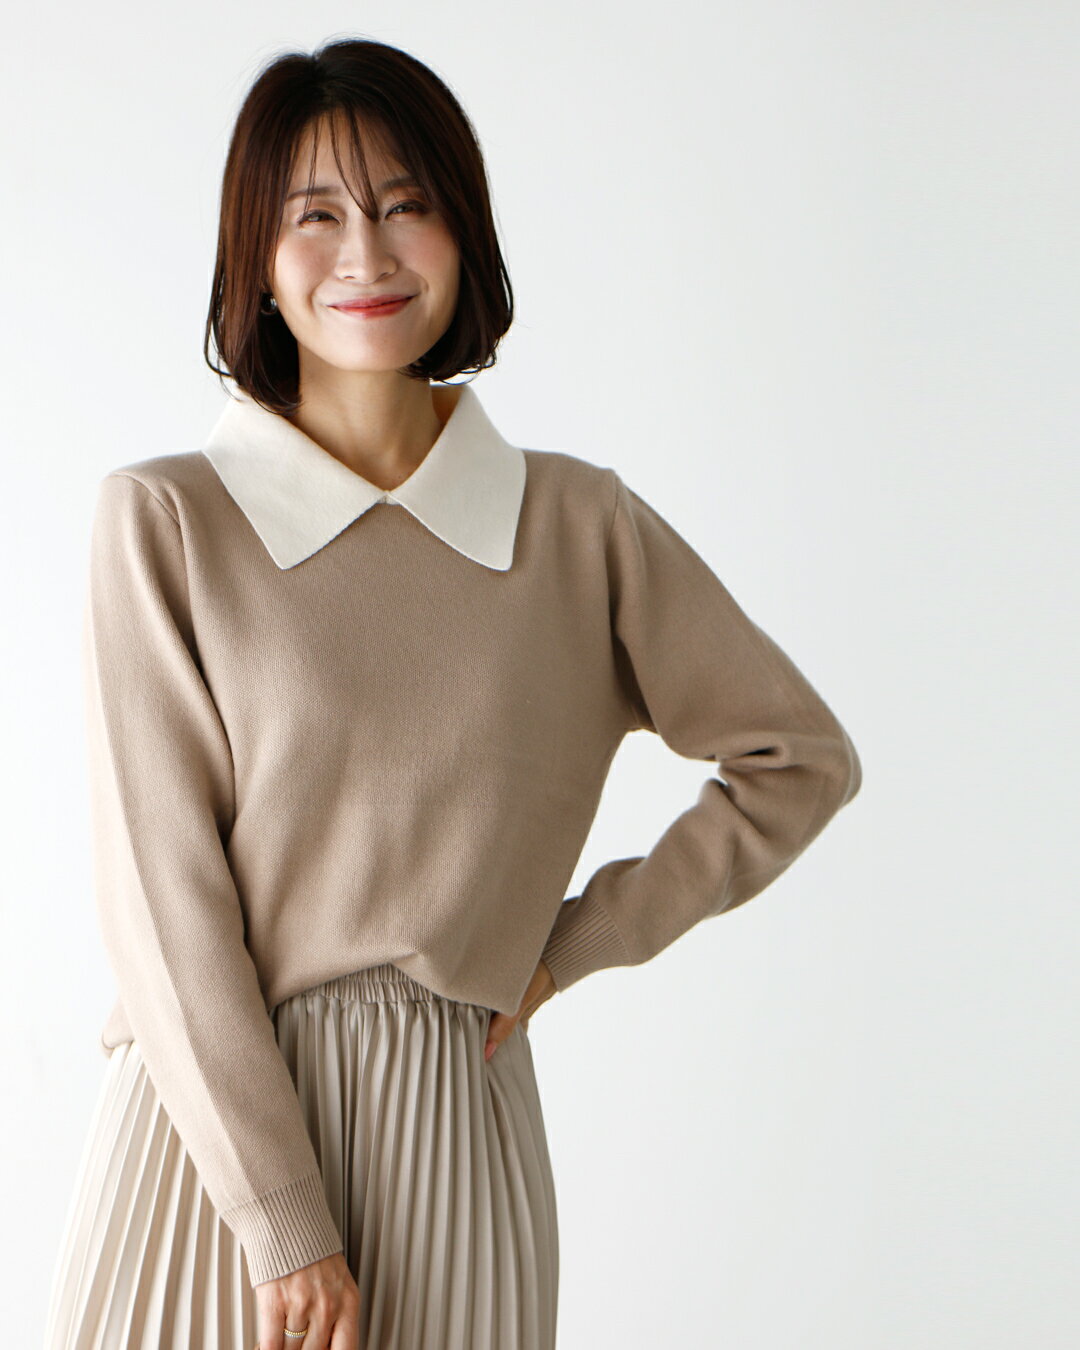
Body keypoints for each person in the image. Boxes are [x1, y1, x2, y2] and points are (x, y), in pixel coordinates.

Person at [43, 34, 863, 1350]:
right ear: (256, 257)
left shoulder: (578, 527)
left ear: (463, 235)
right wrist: (282, 1219)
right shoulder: (167, 521)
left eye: (405, 204)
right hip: (208, 1148)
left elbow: (799, 759)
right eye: (315, 216)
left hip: (456, 1132)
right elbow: (161, 904)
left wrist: (572, 946)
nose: (365, 253)